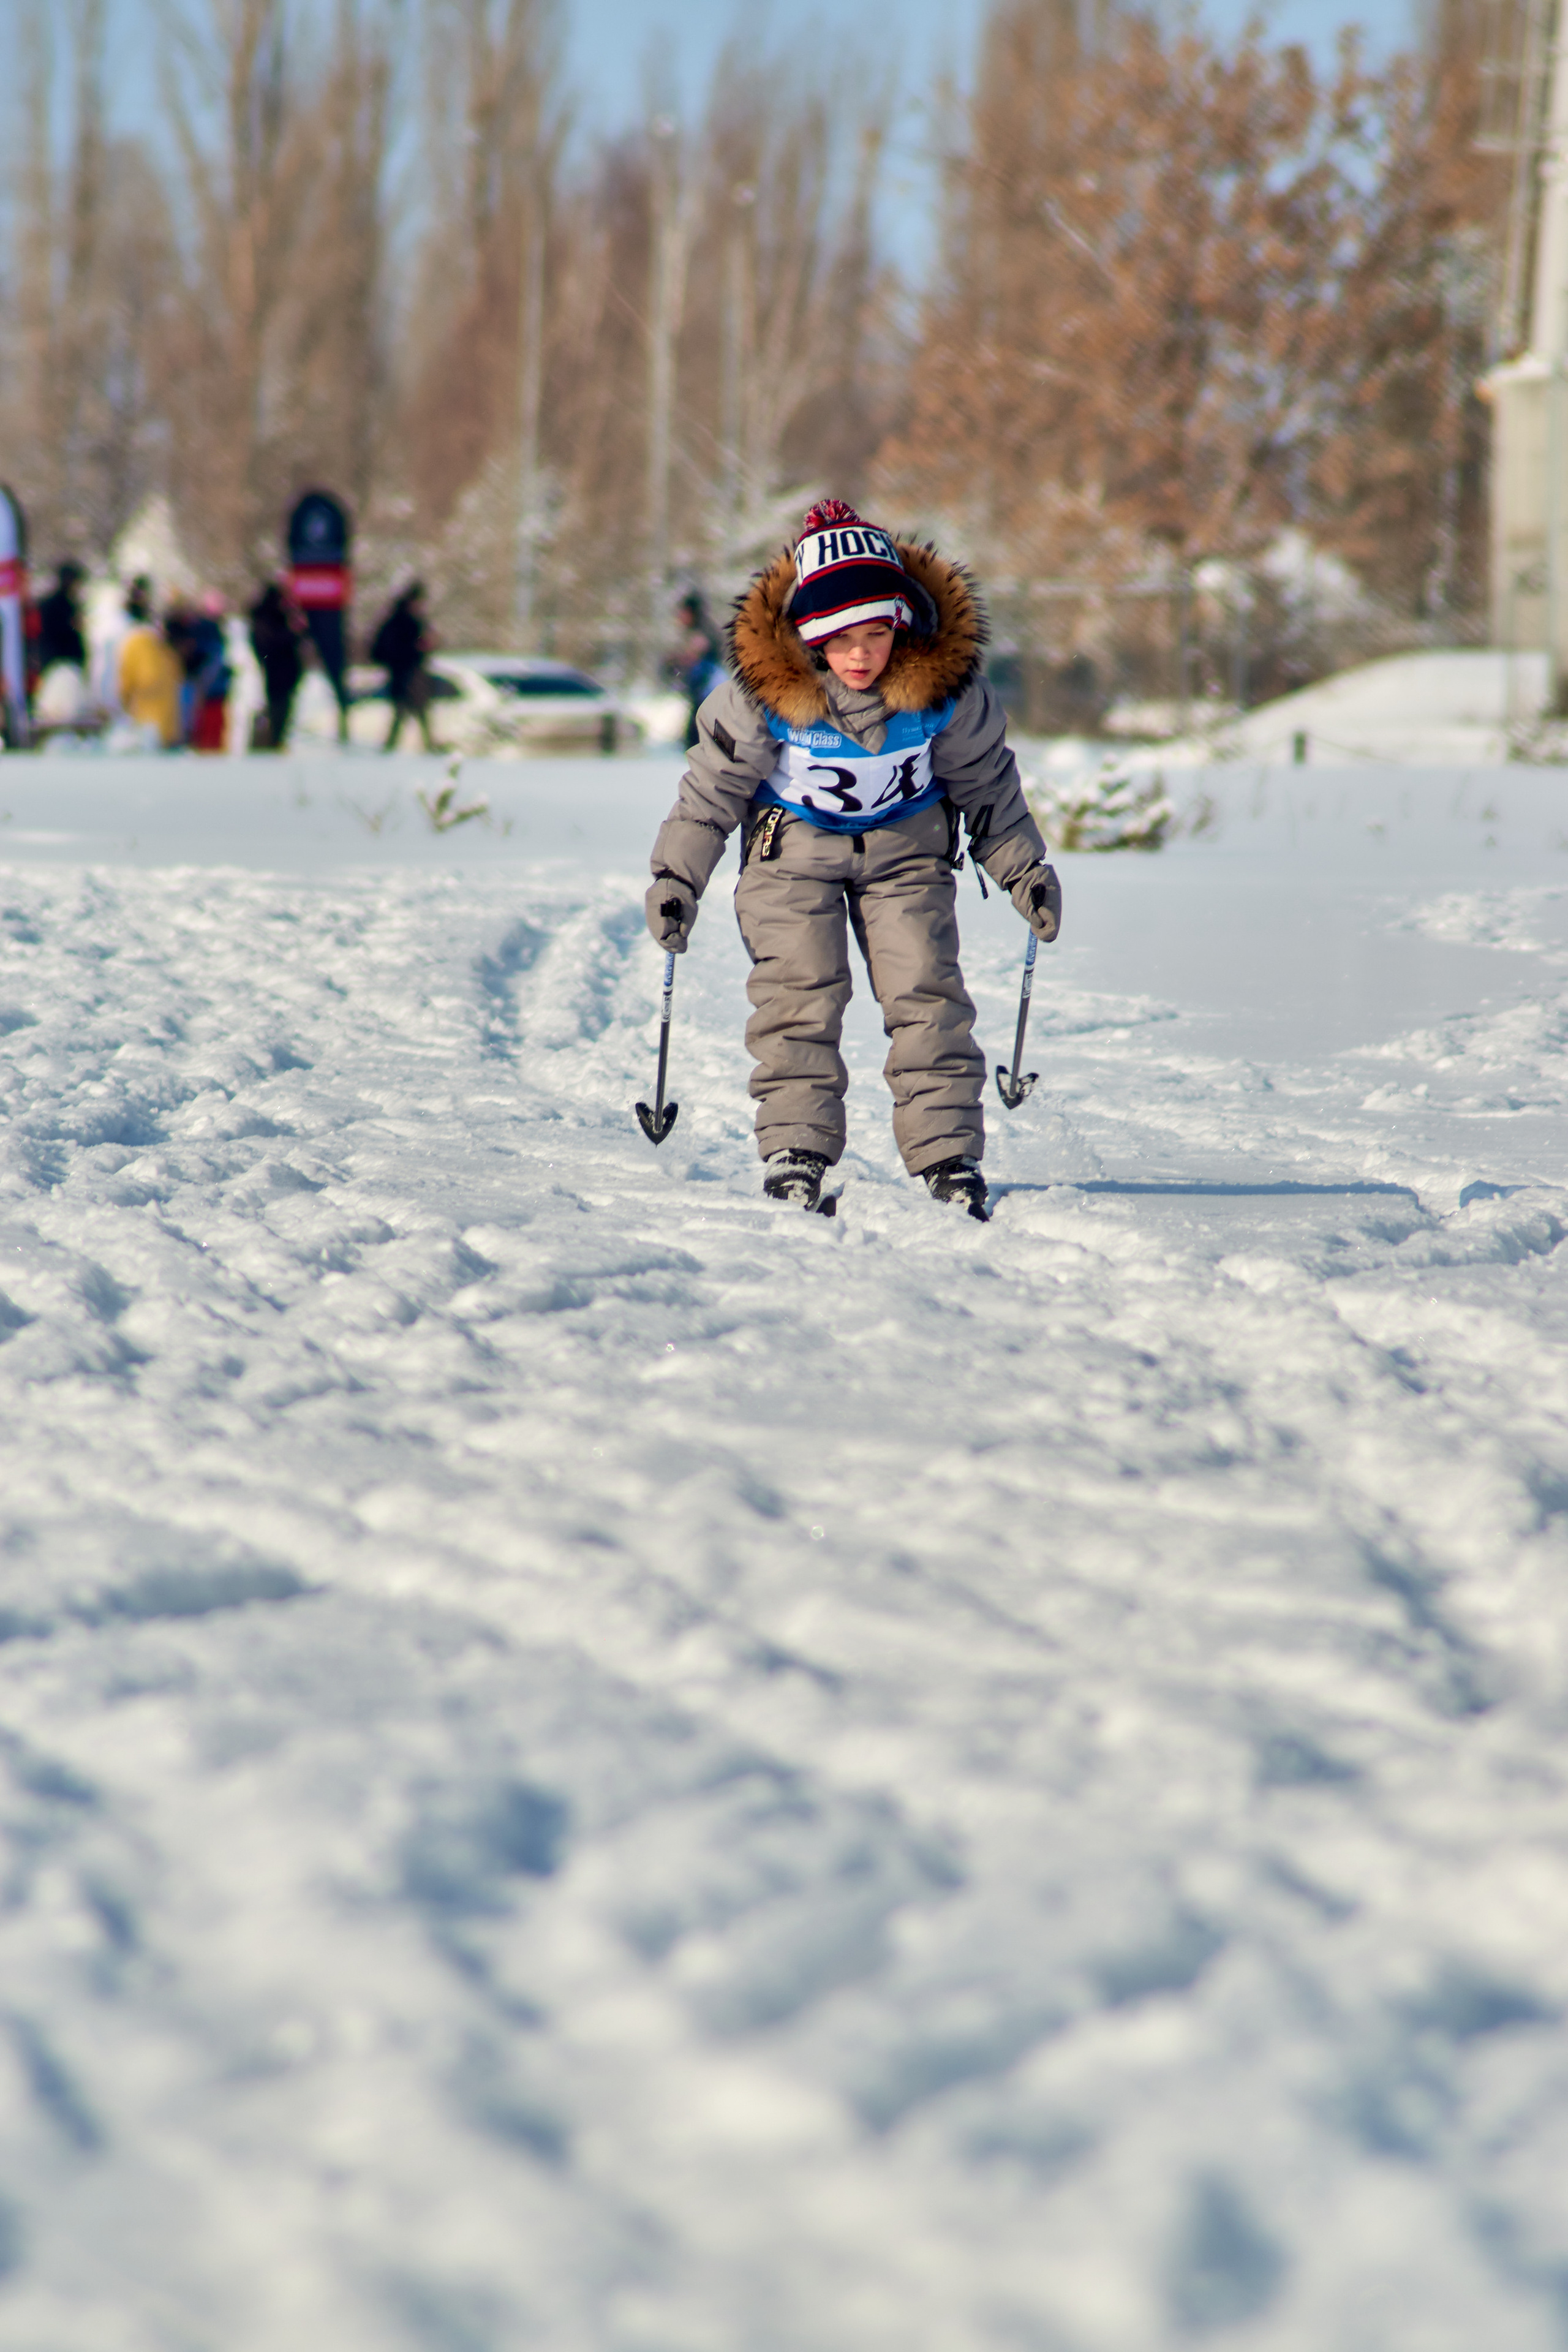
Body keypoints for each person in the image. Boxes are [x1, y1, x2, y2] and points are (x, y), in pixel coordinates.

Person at [644, 497, 1062, 1221]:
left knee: (926, 991)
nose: (861, 655)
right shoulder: (763, 694)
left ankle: (948, 1154)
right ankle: (795, 1149)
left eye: (876, 634)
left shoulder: (944, 690)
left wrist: (1023, 872)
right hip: (791, 852)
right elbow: (711, 791)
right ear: (808, 636)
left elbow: (988, 785)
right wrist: (677, 880)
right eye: (841, 638)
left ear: (902, 624)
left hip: (906, 853)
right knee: (798, 993)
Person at [116, 579, 184, 748]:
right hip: (164, 726)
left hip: (147, 726)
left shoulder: (134, 641)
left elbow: (124, 685)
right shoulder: (161, 646)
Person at [371, 581, 437, 752]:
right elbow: (387, 649)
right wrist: (415, 649)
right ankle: (397, 746)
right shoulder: (400, 622)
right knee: (405, 711)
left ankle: (422, 744)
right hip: (403, 673)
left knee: (414, 711)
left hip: (411, 672)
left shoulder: (413, 621)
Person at [248, 581, 306, 751]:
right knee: (278, 707)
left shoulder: (278, 616)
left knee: (281, 707)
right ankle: (273, 741)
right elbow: (271, 643)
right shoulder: (268, 617)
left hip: (281, 672)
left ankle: (276, 740)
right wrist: (293, 633)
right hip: (277, 671)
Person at [668, 589, 723, 749]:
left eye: (683, 613)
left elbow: (693, 656)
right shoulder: (700, 630)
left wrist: (676, 661)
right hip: (703, 694)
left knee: (697, 739)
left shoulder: (701, 632)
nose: (680, 617)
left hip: (707, 692)